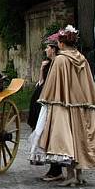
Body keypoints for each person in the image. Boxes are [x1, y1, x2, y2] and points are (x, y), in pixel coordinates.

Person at [31, 25, 95, 186]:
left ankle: (71, 175)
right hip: (82, 106)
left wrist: (46, 98)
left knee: (66, 140)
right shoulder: (81, 58)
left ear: (61, 43)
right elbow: (88, 83)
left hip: (64, 105)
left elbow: (53, 84)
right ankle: (79, 174)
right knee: (80, 138)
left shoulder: (60, 60)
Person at [27, 33, 64, 181]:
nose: (45, 50)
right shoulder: (48, 64)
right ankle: (53, 168)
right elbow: (41, 83)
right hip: (41, 102)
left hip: (50, 104)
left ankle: (56, 169)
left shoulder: (59, 64)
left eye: (48, 47)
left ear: (54, 49)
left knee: (50, 134)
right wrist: (42, 71)